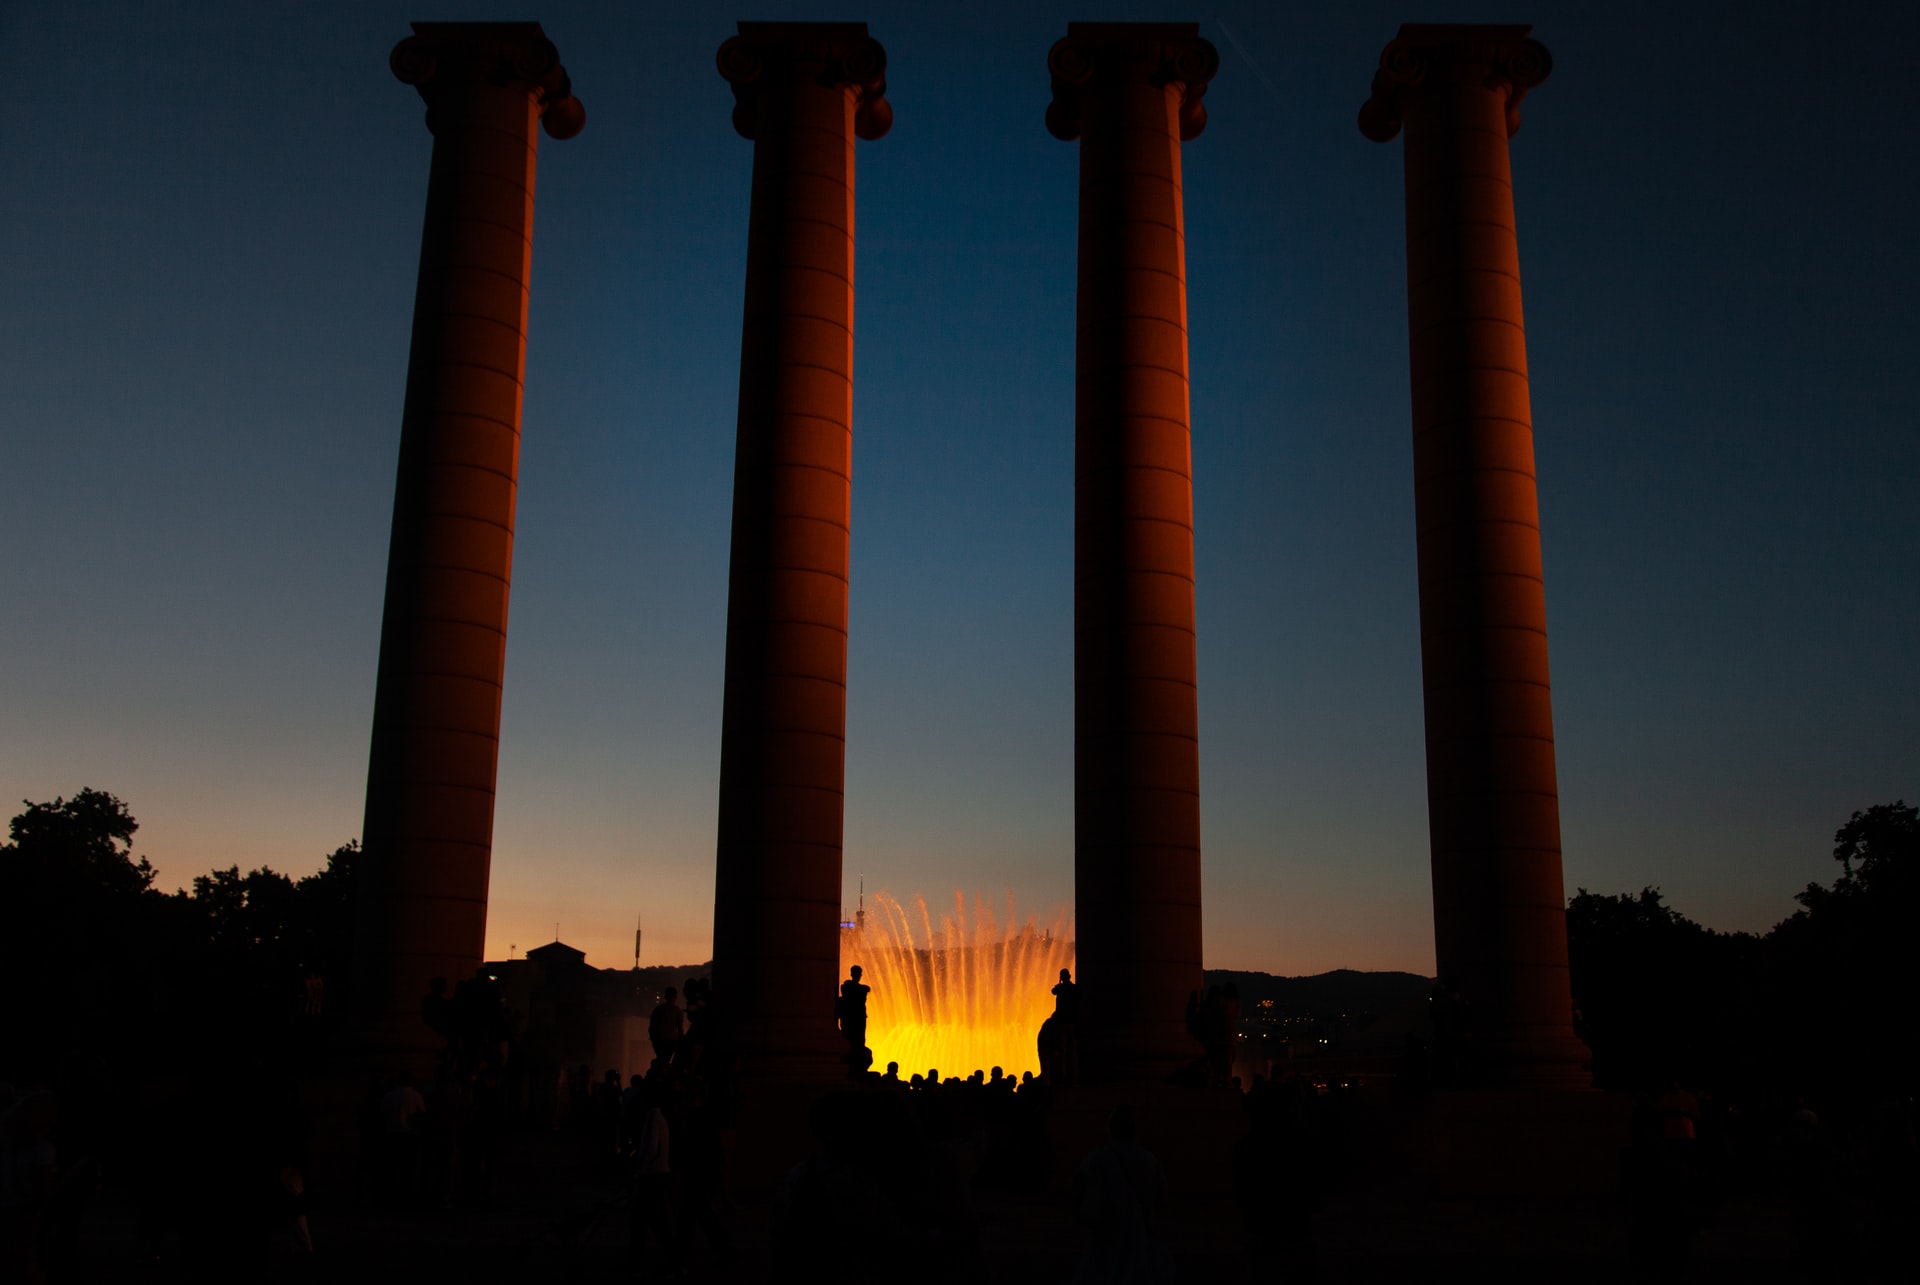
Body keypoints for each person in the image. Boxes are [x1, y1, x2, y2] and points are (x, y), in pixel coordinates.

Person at [837, 966, 870, 1062]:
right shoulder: (851, 987)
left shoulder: (848, 987)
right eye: (859, 974)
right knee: (856, 1040)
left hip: (853, 1018)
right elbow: (865, 989)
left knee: (856, 1040)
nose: (859, 976)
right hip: (856, 1019)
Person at [648, 987, 685, 1066]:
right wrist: (680, 1042)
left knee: (662, 1062)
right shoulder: (677, 1010)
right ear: (675, 997)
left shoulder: (658, 1009)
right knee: (666, 1062)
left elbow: (652, 1027)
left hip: (660, 1042)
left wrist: (654, 1040)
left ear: (665, 996)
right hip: (671, 1042)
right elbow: (680, 1030)